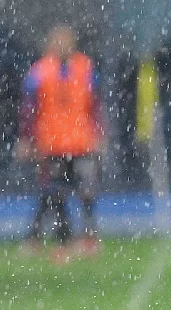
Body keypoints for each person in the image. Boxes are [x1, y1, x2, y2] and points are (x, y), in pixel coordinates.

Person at [17, 24, 103, 262]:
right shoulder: (40, 71)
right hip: (53, 143)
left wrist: (99, 132)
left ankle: (88, 236)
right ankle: (62, 240)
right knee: (56, 194)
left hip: (81, 141)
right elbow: (28, 108)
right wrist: (27, 138)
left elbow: (95, 103)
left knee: (87, 191)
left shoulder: (85, 67)